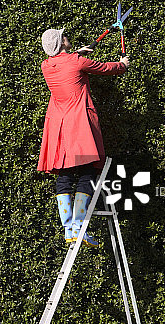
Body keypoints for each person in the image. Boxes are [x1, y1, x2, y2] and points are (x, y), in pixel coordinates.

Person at [38, 27, 129, 247]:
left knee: (65, 176)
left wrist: (79, 51)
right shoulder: (77, 61)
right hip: (80, 127)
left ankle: (69, 228)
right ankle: (79, 226)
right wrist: (123, 65)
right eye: (64, 37)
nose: (67, 37)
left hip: (59, 129)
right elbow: (106, 68)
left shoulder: (46, 66)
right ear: (61, 43)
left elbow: (65, 62)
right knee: (89, 171)